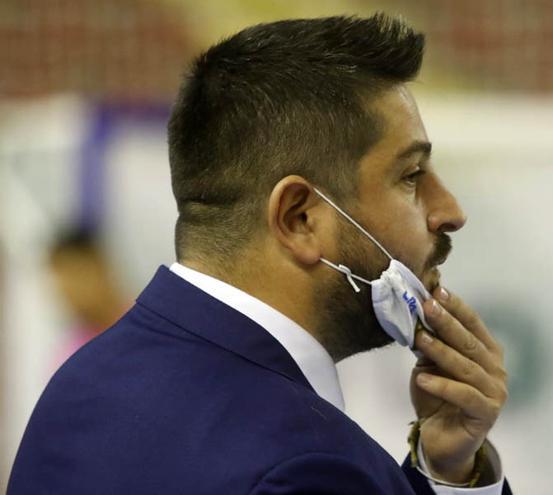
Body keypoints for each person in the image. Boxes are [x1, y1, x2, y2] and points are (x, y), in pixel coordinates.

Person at [9, 14, 512, 494]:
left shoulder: (81, 385)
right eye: (410, 176)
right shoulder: (308, 466)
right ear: (299, 218)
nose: (450, 211)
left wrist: (448, 470)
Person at [46, 228, 128, 369]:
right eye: (63, 286)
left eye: (76, 276)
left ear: (99, 266)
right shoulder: (72, 355)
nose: (71, 294)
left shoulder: (152, 319)